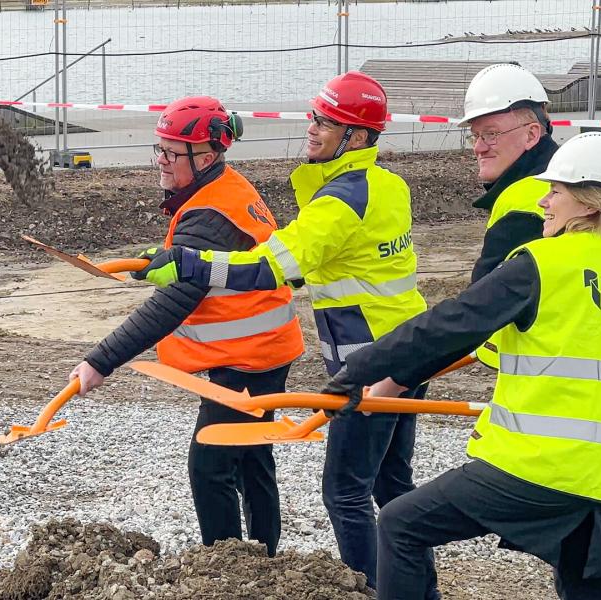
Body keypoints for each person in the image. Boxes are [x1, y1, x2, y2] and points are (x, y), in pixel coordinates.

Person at [322, 132, 601, 599]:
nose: (543, 200)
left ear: (586, 204)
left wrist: (356, 373)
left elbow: (448, 324)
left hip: (539, 469)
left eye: (555, 191)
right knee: (588, 587)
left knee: (401, 525)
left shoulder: (544, 262)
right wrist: (600, 418)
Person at [134, 72, 432, 596]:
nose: (311, 128)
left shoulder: (339, 203)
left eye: (325, 122)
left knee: (345, 492)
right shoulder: (388, 185)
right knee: (392, 486)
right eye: (313, 116)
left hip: (370, 362)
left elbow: (265, 270)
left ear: (357, 138)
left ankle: (376, 591)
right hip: (410, 347)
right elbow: (310, 265)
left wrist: (189, 262)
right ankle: (419, 590)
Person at [461, 64, 601, 599]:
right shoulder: (579, 183)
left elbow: (480, 315)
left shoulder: (527, 204)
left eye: (490, 133)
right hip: (600, 419)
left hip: (570, 426)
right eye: (474, 135)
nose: (478, 146)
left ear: (532, 133)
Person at [68, 96, 304, 557]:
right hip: (266, 348)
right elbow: (192, 261)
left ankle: (224, 568)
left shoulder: (209, 214)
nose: (161, 161)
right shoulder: (226, 190)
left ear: (207, 155)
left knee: (211, 464)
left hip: (246, 359)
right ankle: (263, 561)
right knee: (253, 456)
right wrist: (157, 261)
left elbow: (173, 302)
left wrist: (101, 361)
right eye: (159, 148)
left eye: (171, 153)